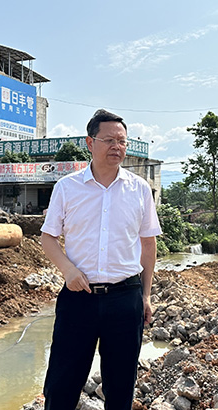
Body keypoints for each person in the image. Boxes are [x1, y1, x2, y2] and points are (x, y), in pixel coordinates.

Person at [40, 109, 162, 410]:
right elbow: (48, 238)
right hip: (78, 298)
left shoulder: (139, 189)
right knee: (61, 384)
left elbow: (148, 245)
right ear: (90, 142)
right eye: (109, 140)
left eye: (122, 141)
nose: (117, 147)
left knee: (121, 388)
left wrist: (146, 295)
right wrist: (68, 269)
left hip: (125, 298)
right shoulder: (67, 188)